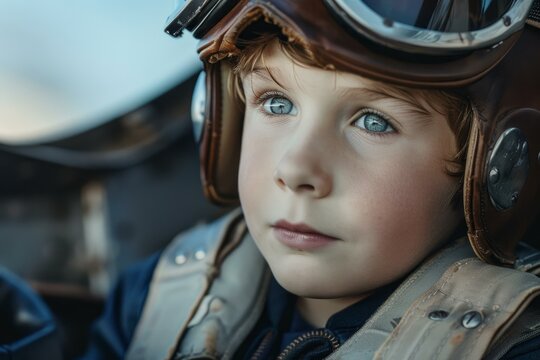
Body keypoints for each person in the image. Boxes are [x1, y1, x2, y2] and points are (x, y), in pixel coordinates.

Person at [81, 0, 540, 359]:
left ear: (495, 165)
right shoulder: (159, 299)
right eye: (277, 104)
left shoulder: (516, 346)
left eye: (373, 122)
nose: (296, 170)